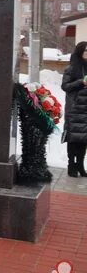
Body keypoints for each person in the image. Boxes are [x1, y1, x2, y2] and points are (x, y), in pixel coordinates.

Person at [62, 41, 87, 178]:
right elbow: (65, 86)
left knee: (83, 139)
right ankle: (71, 165)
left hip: (85, 109)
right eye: (86, 50)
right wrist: (80, 82)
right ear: (80, 52)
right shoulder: (71, 68)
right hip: (75, 108)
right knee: (73, 138)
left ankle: (81, 166)